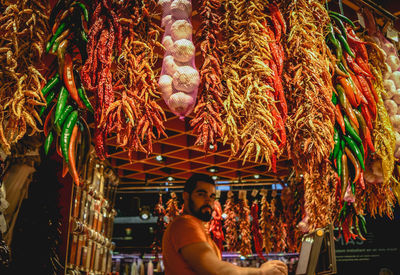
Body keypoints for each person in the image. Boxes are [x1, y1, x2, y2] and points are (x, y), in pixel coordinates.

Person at [162, 174, 288, 275]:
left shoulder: (196, 227)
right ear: (186, 196)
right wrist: (261, 272)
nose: (208, 200)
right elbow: (216, 270)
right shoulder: (185, 224)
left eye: (212, 196)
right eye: (201, 194)